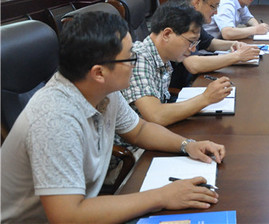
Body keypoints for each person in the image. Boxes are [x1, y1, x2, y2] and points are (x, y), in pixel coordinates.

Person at [1, 12, 224, 223]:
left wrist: (187, 145)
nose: (135, 63)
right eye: (130, 57)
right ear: (99, 72)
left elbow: (140, 130)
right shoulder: (55, 119)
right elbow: (67, 217)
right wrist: (162, 196)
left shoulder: (103, 90)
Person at [121, 2, 234, 127]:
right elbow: (156, 116)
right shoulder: (138, 59)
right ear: (167, 34)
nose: (192, 49)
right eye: (191, 42)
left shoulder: (163, 58)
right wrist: (206, 98)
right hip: (140, 137)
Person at [171, 0, 261, 89]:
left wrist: (234, 44)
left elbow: (209, 43)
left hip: (195, 79)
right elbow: (193, 65)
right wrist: (237, 56)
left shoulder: (193, 19)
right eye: (213, 6)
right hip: (182, 88)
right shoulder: (180, 22)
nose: (216, 12)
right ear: (197, 2)